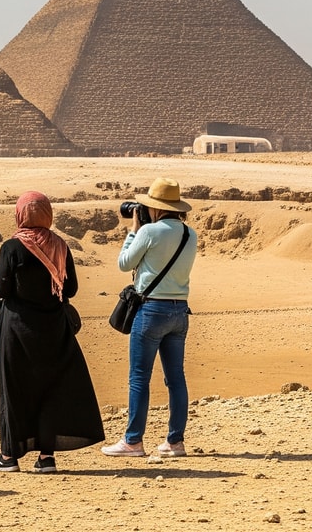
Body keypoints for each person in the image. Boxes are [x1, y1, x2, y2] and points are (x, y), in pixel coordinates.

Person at [0, 192, 103, 473]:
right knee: (51, 389)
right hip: (53, 329)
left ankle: (9, 456)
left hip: (17, 330)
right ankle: (46, 457)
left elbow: (1, 289)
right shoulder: (61, 246)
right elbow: (70, 289)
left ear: (20, 215)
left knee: (14, 389)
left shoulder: (11, 248)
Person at [103, 178, 195, 458]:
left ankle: (132, 442)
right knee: (175, 378)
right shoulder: (190, 234)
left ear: (155, 208)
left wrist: (133, 230)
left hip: (152, 311)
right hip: (180, 310)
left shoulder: (149, 232)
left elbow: (124, 264)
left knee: (139, 378)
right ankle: (175, 442)